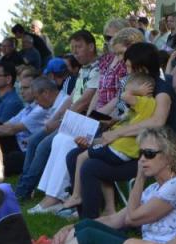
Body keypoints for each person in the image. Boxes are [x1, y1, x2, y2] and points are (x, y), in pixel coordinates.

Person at [48, 128, 176, 244]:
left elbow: (132, 218)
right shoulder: (153, 189)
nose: (142, 159)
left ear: (169, 156)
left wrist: (140, 178)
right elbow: (114, 219)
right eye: (140, 154)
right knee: (86, 226)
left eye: (149, 153)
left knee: (87, 237)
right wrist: (71, 226)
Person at [22, 30, 101, 205]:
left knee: (51, 143)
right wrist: (56, 117)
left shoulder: (98, 68)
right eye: (73, 48)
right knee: (54, 141)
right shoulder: (83, 70)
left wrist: (59, 121)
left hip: (88, 122)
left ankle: (53, 195)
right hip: (76, 120)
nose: (75, 52)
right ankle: (48, 195)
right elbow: (73, 97)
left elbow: (84, 101)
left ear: (91, 46)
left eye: (79, 47)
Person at [62, 74, 156, 212]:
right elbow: (122, 118)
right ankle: (110, 208)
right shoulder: (137, 108)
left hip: (120, 150)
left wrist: (134, 91)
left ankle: (76, 195)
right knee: (80, 155)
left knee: (82, 158)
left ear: (143, 89)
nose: (124, 90)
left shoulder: (145, 101)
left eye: (128, 86)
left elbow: (124, 96)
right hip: (117, 147)